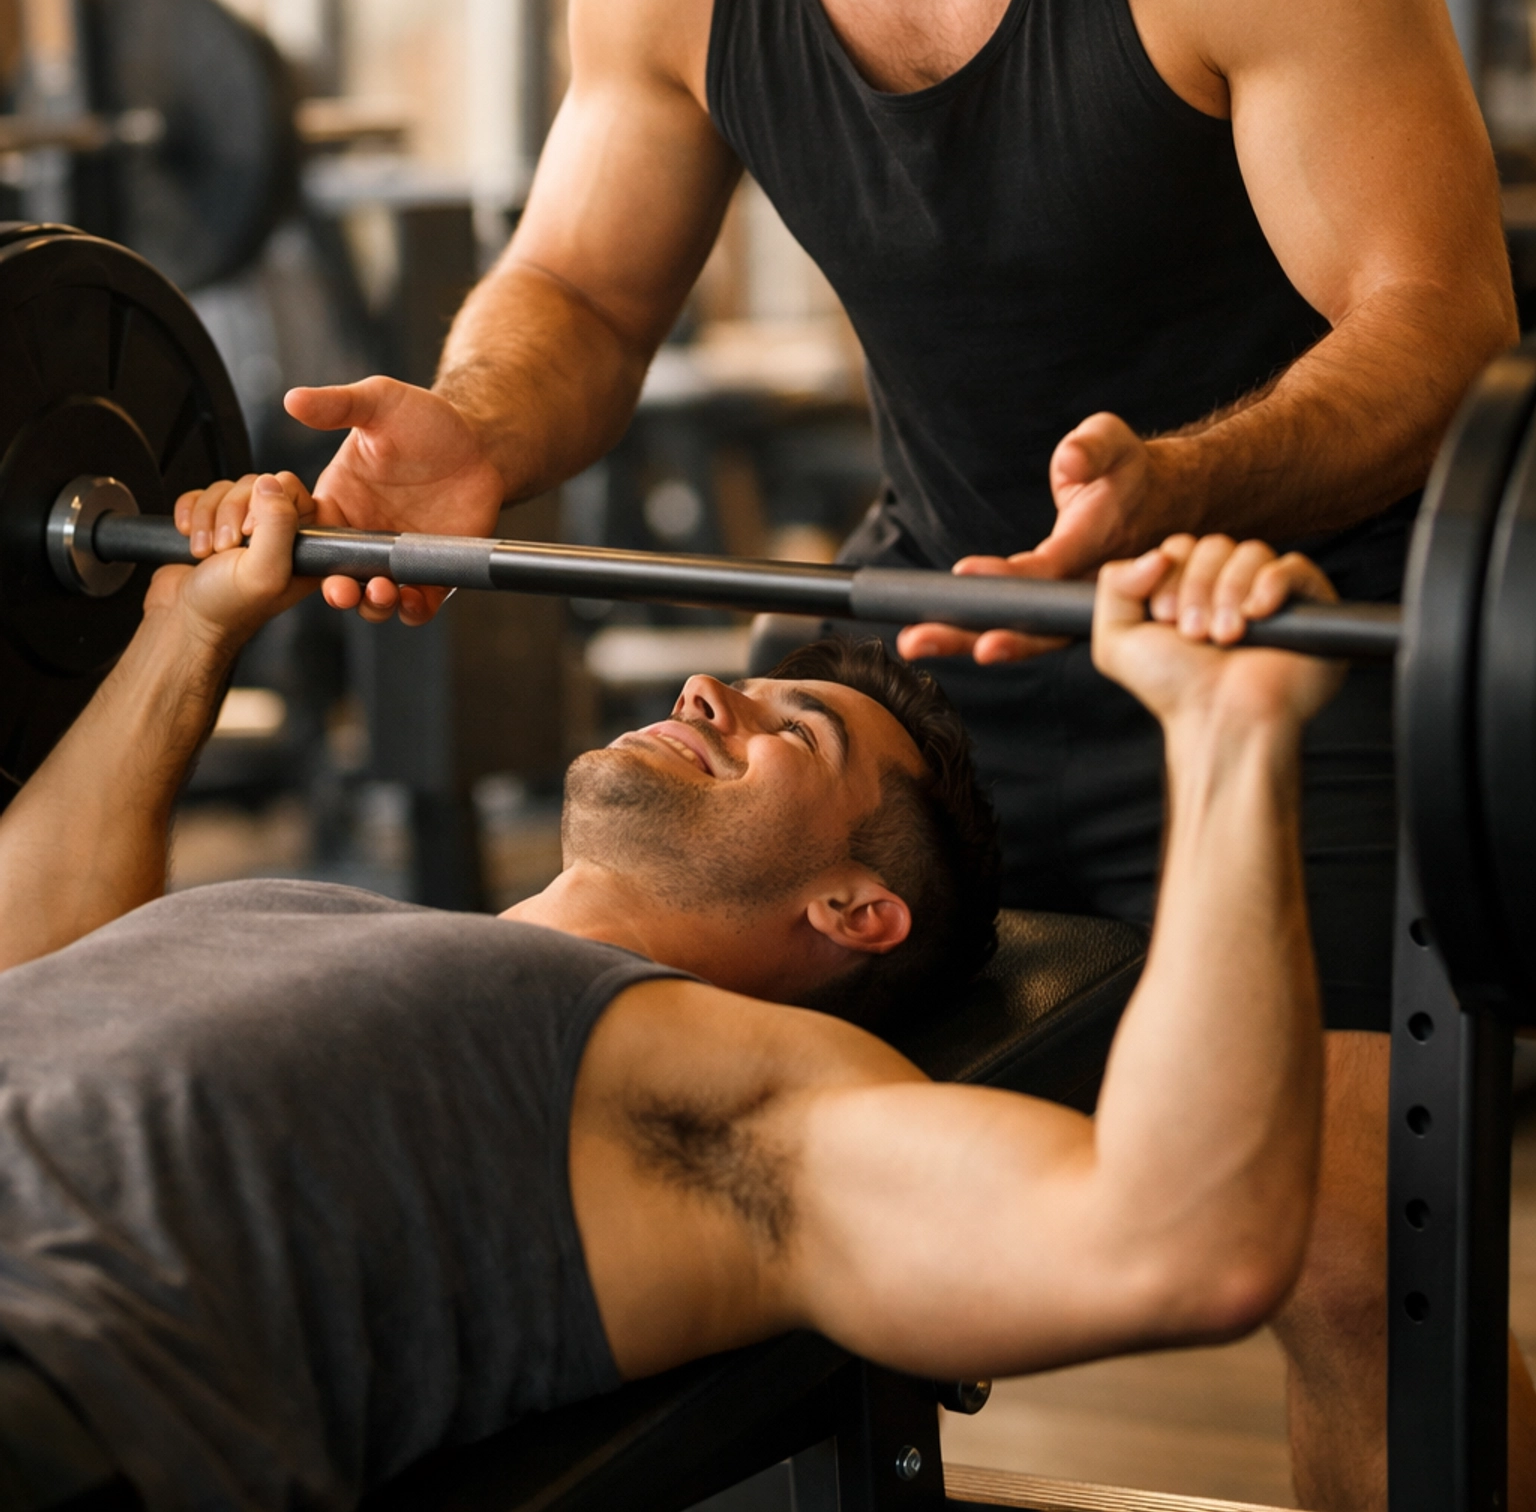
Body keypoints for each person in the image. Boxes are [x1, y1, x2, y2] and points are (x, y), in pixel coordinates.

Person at [260, 0, 1523, 1509]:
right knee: (625, 1121)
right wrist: (474, 430)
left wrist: (1182, 485)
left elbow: (1436, 323)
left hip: (1289, 645)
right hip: (927, 657)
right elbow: (581, 293)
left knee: (1348, 1277)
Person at [0, 472, 1334, 1512]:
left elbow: (1175, 1242)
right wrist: (189, 625)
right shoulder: (318, 917)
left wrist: (1229, 738)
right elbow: (30, 959)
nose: (706, 691)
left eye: (793, 730)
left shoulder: (727, 1080)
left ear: (853, 910)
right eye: (739, 685)